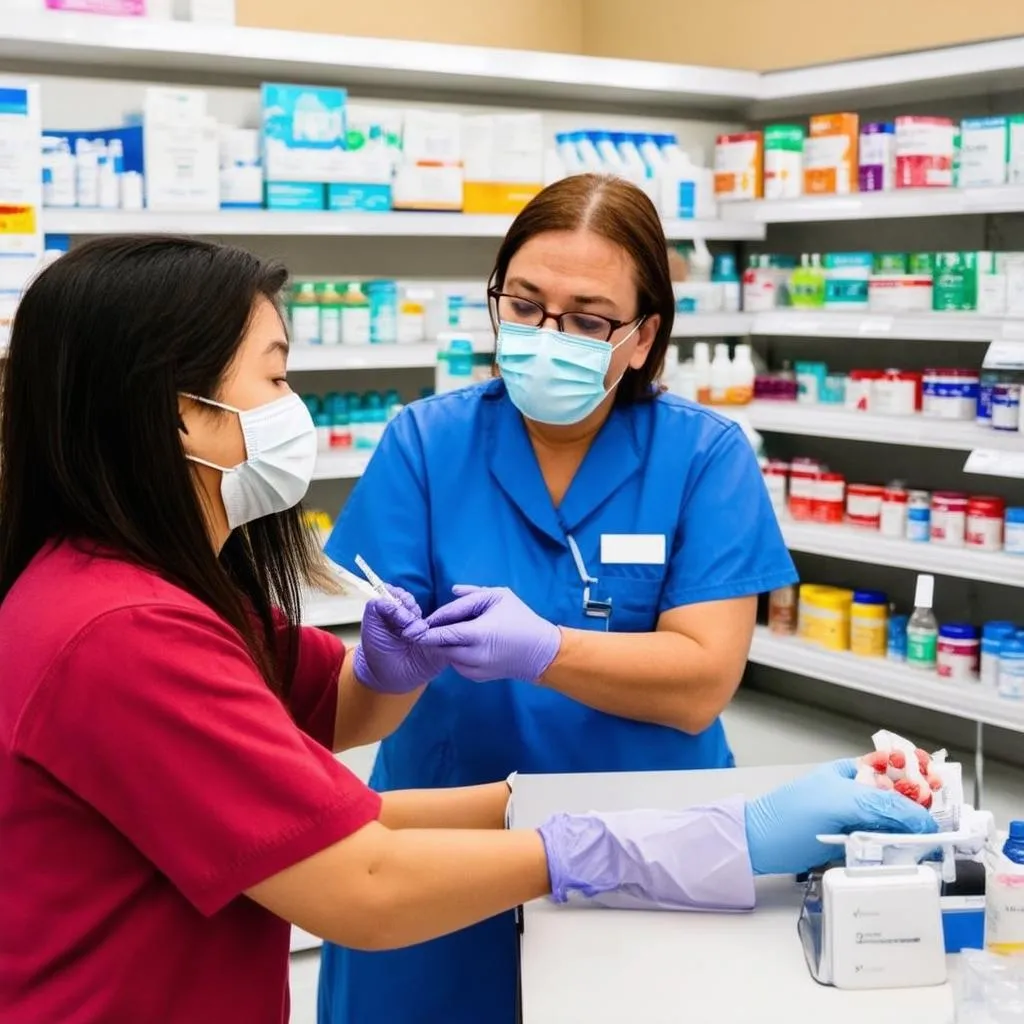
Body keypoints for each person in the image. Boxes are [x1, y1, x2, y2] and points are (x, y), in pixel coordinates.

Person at [0, 236, 935, 1024]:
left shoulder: (160, 592)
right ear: (180, 418)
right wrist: (645, 841)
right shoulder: (124, 632)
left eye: (587, 317)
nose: (296, 409)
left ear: (645, 337)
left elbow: (328, 747)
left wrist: (684, 819)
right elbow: (359, 877)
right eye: (277, 377)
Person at [319, 173, 800, 1023]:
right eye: (526, 304)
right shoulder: (427, 442)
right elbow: (367, 698)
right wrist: (383, 668)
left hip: (648, 838)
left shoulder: (703, 457)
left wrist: (548, 649)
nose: (548, 335)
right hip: (445, 842)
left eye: (587, 320)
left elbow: (700, 684)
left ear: (644, 337)